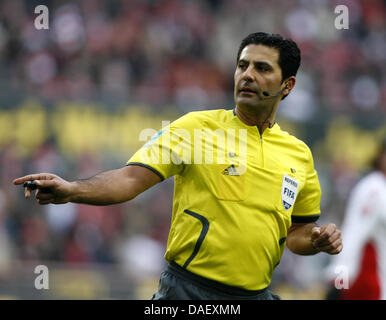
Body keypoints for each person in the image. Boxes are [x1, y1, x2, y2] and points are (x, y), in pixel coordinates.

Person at [13, 32, 342, 300]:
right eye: (242, 65)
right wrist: (73, 190)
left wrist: (315, 240)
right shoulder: (196, 128)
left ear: (288, 85)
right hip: (189, 293)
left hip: (256, 294)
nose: (248, 75)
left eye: (262, 68)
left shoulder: (298, 154)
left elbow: (296, 232)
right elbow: (129, 179)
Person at [325, 137, 386, 300]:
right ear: (381, 156)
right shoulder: (374, 189)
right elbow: (353, 235)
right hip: (369, 285)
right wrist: (339, 280)